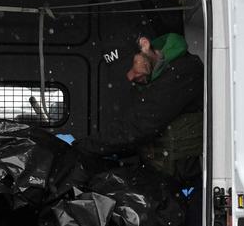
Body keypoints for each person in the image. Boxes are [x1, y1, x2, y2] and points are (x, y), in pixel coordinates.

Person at [66, 33, 204, 182]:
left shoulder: (183, 70)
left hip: (185, 177)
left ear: (145, 45)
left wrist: (80, 147)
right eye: (126, 75)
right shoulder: (148, 79)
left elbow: (137, 128)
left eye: (130, 66)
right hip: (161, 172)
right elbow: (130, 129)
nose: (131, 77)